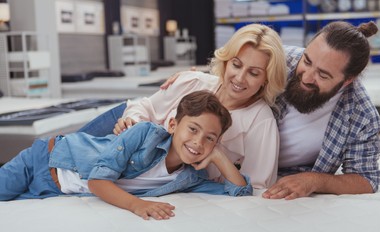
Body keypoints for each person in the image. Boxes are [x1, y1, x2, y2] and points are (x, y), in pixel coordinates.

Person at [147, 20, 380, 200]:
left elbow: (366, 179)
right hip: (227, 155)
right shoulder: (285, 59)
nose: (307, 76)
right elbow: (240, 64)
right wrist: (191, 79)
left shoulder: (361, 115)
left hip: (274, 174)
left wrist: (314, 181)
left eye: (323, 75)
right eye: (308, 60)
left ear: (347, 80)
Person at [78, 23, 288, 190]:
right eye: (236, 64)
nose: (240, 78)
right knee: (55, 156)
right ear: (226, 61)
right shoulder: (193, 82)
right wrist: (133, 124)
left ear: (266, 79)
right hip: (122, 134)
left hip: (152, 176)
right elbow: (145, 107)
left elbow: (257, 186)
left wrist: (219, 160)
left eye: (253, 73)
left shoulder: (261, 122)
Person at [0, 91, 253, 220]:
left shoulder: (190, 177)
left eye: (210, 138)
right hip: (44, 160)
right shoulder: (145, 134)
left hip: (54, 190)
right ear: (173, 125)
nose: (198, 142)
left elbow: (239, 190)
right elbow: (97, 181)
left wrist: (218, 155)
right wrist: (138, 205)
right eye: (193, 129)